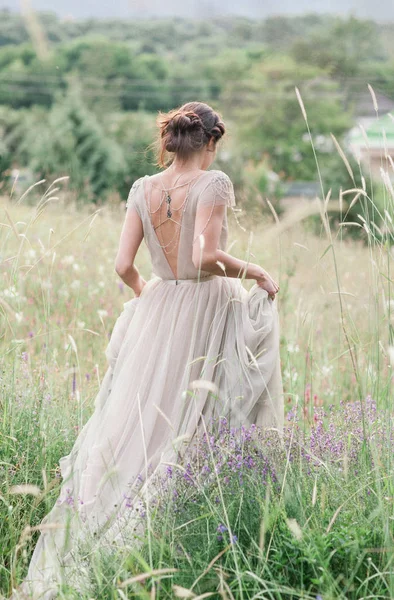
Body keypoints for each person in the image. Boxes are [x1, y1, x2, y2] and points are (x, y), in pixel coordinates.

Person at [9, 101, 284, 599]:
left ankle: (105, 529)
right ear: (211, 142)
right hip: (205, 308)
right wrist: (256, 272)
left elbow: (122, 266)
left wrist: (149, 298)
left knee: (140, 423)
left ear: (171, 141)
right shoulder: (214, 183)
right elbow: (204, 257)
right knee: (195, 419)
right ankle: (176, 534)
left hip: (159, 309)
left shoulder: (142, 188)